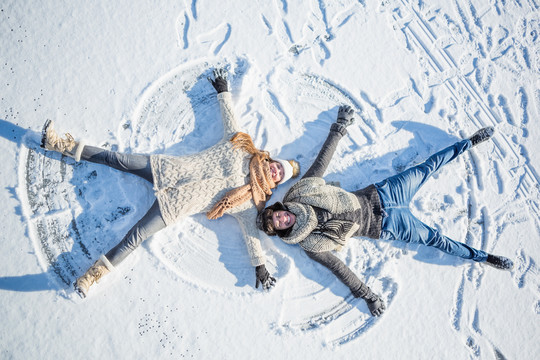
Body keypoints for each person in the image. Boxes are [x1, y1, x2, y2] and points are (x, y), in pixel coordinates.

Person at [40, 68, 300, 298]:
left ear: (276, 183)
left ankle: (89, 278)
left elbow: (252, 236)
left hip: (175, 206)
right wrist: (223, 92)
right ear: (272, 160)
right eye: (278, 166)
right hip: (167, 170)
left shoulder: (249, 203)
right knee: (116, 159)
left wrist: (260, 265)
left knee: (135, 237)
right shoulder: (241, 146)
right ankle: (59, 144)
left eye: (280, 175)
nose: (276, 171)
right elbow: (230, 117)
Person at [257, 105, 513, 317]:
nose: (281, 218)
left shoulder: (301, 192)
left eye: (276, 214)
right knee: (436, 240)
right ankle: (483, 257)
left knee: (427, 168)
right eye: (278, 224)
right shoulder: (310, 244)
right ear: (283, 231)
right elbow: (340, 270)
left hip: (383, 193)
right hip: (388, 226)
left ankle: (468, 143)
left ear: (279, 208)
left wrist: (339, 127)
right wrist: (367, 295)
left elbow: (321, 163)